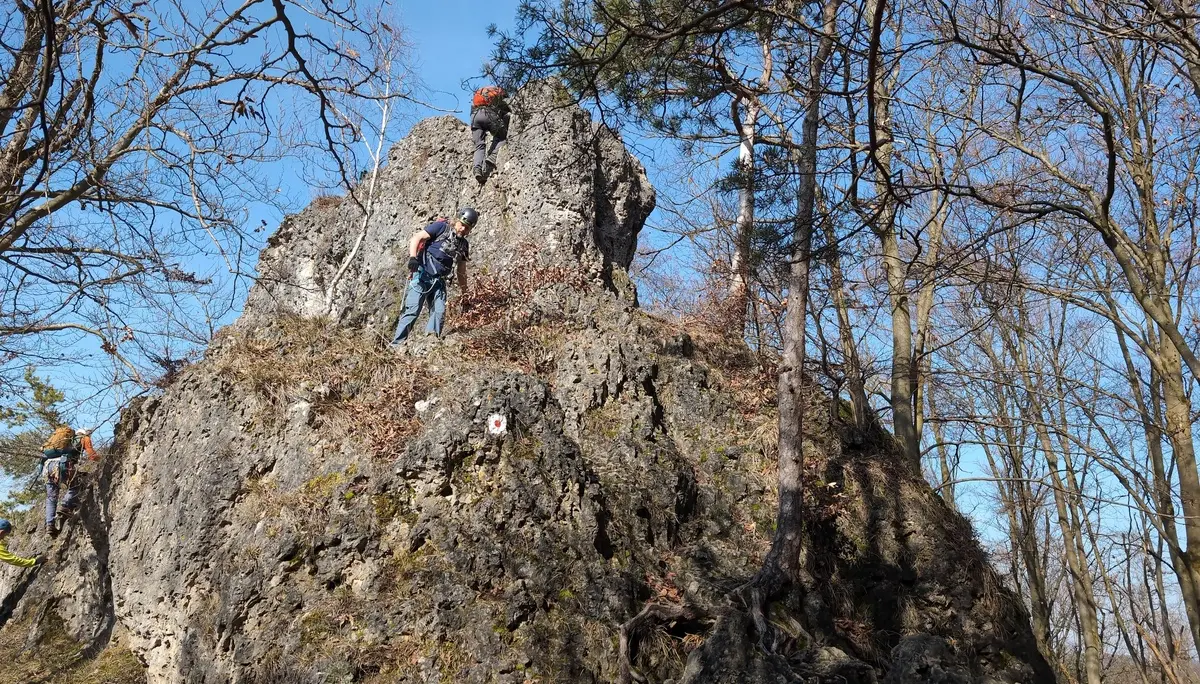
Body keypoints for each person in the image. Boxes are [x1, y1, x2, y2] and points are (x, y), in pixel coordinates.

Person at [391, 208, 477, 344]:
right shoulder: (441, 228)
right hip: (422, 275)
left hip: (439, 282)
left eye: (467, 228)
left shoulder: (463, 245)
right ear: (457, 221)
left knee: (439, 312)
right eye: (462, 225)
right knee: (412, 311)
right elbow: (417, 237)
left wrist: (465, 292)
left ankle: (430, 343)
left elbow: (461, 270)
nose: (462, 229)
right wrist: (413, 258)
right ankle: (396, 345)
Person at [41, 425, 86, 536]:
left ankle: (50, 525)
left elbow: (41, 461)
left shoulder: (51, 447)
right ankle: (65, 505)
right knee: (76, 484)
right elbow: (75, 455)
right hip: (61, 465)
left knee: (51, 498)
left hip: (47, 469)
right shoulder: (73, 444)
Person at [470, 85, 510, 183]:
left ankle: (477, 169)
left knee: (479, 146)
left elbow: (472, 108)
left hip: (475, 117)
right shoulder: (498, 93)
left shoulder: (479, 95)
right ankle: (492, 157)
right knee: (502, 137)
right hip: (488, 114)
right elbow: (506, 107)